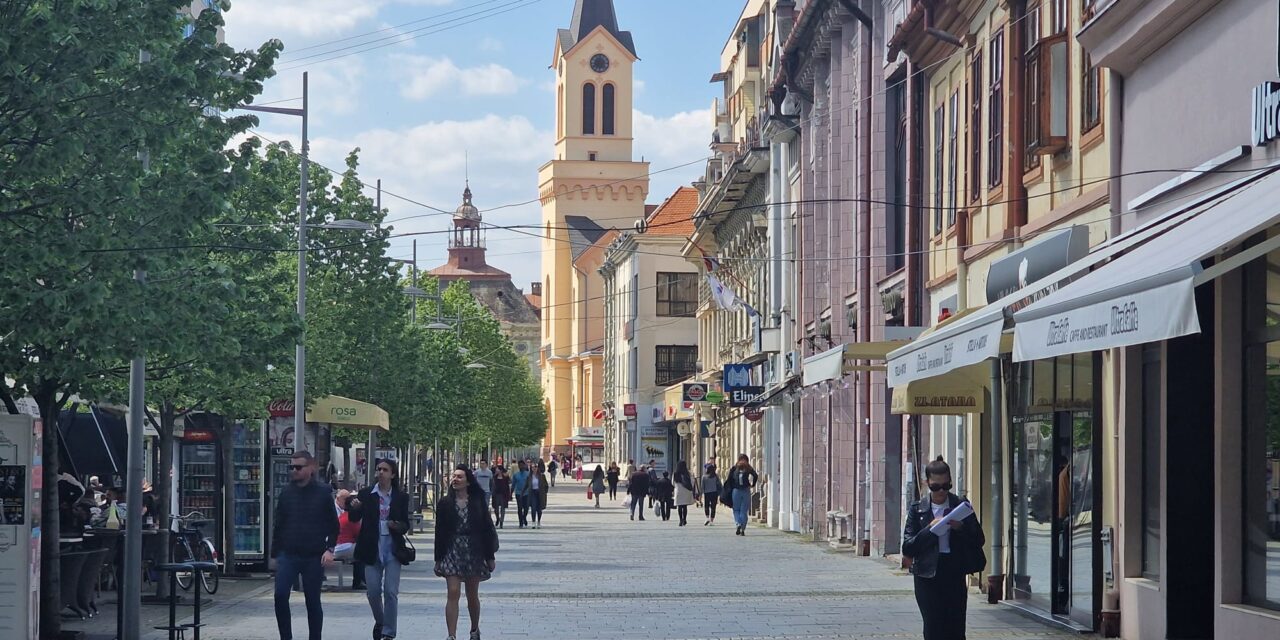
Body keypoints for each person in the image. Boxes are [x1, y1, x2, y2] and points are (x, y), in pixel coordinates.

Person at [903, 456, 985, 640]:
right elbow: (908, 547)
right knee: (933, 626)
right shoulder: (918, 509)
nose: (941, 491)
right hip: (927, 574)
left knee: (955, 626)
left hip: (954, 570)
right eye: (935, 486)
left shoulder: (960, 505)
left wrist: (961, 527)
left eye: (946, 486)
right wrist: (929, 530)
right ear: (927, 483)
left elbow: (979, 539)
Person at [271, 451, 339, 640]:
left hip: (313, 555)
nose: (294, 471)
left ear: (311, 468)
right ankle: (286, 637)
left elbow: (333, 525)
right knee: (280, 595)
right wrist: (275, 554)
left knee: (312, 601)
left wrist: (330, 548)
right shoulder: (286, 492)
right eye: (291, 467)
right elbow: (279, 523)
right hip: (288, 554)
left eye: (298, 467)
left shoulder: (323, 492)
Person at [347, 459, 411, 640]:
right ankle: (381, 621)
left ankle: (388, 633)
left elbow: (405, 525)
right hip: (371, 549)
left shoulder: (401, 496)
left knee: (391, 592)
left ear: (393, 474)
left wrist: (396, 526)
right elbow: (353, 518)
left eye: (385, 470)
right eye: (378, 469)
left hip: (392, 550)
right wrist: (356, 508)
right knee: (373, 592)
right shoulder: (367, 494)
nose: (380, 472)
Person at [435, 465, 499, 640]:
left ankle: (474, 629)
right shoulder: (444, 503)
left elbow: (487, 529)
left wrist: (490, 556)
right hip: (451, 549)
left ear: (468, 481)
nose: (455, 479)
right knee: (453, 591)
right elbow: (439, 532)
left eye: (460, 477)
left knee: (472, 594)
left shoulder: (477, 503)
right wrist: (438, 558)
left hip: (474, 549)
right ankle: (451, 635)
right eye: (454, 476)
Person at [333, 489, 365, 590]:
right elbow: (359, 535)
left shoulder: (342, 516)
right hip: (343, 547)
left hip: (337, 547)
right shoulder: (351, 518)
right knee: (364, 550)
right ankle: (359, 581)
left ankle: (359, 581)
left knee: (358, 553)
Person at [723, 453, 758, 536]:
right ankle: (743, 528)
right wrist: (752, 484)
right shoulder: (748, 467)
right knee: (744, 510)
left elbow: (729, 479)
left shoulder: (734, 468)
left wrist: (730, 489)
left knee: (736, 510)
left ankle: (738, 523)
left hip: (736, 491)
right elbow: (755, 475)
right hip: (746, 490)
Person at [524, 463, 549, 528]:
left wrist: (545, 492)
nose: (534, 468)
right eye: (533, 467)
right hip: (532, 493)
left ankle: (538, 521)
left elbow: (546, 485)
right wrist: (522, 493)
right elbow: (526, 485)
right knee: (533, 508)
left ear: (537, 468)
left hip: (540, 493)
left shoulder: (542, 476)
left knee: (539, 509)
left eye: (535, 467)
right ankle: (533, 522)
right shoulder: (529, 476)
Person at [672, 461, 696, 526]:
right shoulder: (688, 473)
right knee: (685, 506)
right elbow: (692, 482)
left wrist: (676, 487)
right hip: (686, 491)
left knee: (679, 506)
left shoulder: (675, 473)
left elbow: (673, 483)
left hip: (679, 491)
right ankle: (684, 519)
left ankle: (680, 520)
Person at [511, 461, 531, 529]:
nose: (521, 467)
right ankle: (520, 522)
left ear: (525, 466)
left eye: (522, 465)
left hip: (526, 493)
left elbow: (529, 484)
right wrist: (511, 493)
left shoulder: (528, 474)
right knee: (519, 508)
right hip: (518, 493)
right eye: (519, 465)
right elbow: (513, 485)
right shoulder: (516, 475)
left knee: (526, 508)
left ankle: (524, 517)